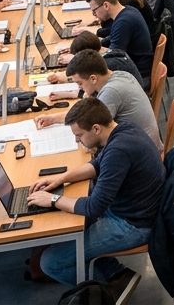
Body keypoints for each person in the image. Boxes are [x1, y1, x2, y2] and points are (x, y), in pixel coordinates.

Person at [27, 97, 164, 298]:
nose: (77, 140)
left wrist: (53, 200)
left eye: (79, 135)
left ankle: (107, 292)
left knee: (50, 262)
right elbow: (97, 164)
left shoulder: (119, 150)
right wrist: (60, 179)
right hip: (132, 209)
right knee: (71, 220)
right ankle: (116, 274)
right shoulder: (123, 129)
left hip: (133, 225)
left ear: (96, 128)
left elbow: (94, 207)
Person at [35, 49, 163, 150]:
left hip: (142, 154)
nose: (79, 87)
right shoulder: (119, 75)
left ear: (93, 78)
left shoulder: (111, 92)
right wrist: (53, 119)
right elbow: (85, 114)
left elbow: (88, 128)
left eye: (80, 83)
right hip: (144, 145)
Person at [86, 0, 155, 84]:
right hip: (141, 69)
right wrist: (94, 45)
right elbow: (113, 38)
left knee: (94, 82)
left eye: (94, 10)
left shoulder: (124, 22)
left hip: (139, 76)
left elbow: (112, 59)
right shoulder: (128, 10)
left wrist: (84, 60)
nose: (94, 15)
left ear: (106, 5)